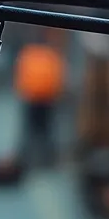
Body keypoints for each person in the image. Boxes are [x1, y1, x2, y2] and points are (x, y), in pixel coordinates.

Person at [13, 41, 66, 171]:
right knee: (40, 131)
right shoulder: (46, 54)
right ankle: (43, 160)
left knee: (40, 131)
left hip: (41, 99)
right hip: (39, 98)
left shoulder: (32, 53)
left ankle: (42, 159)